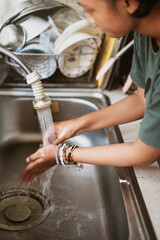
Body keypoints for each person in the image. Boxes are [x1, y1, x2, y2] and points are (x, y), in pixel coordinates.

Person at [21, 0, 160, 185]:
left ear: (131, 3)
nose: (89, 20)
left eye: (90, 10)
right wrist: (75, 125)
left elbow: (144, 152)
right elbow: (142, 100)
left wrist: (62, 154)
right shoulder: (145, 34)